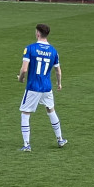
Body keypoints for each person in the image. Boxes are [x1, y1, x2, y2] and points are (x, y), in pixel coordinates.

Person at [17, 23, 66, 151]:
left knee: (25, 113)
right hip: (46, 87)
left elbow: (24, 69)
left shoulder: (30, 48)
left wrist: (21, 78)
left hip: (33, 86)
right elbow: (58, 71)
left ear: (38, 33)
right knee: (51, 110)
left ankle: (27, 144)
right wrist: (59, 83)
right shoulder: (54, 51)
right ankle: (60, 139)